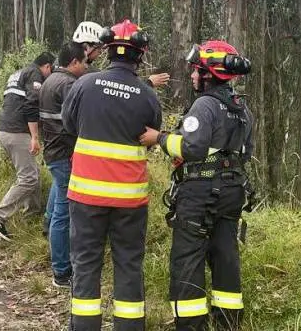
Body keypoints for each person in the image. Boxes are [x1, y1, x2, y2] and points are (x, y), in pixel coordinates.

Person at [139, 41, 254, 331]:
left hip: (200, 194)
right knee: (225, 255)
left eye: (196, 70)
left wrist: (159, 138)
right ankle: (228, 323)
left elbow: (192, 147)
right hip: (232, 192)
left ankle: (191, 325)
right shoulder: (241, 108)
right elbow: (245, 153)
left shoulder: (204, 105)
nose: (192, 75)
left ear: (209, 74)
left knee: (187, 259)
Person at [62, 19, 162, 331]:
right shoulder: (147, 95)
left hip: (86, 195)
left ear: (107, 50)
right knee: (129, 265)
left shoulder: (84, 85)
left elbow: (69, 124)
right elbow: (152, 136)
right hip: (129, 201)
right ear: (140, 55)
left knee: (85, 264)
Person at [0, 52, 55, 241]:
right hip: (17, 132)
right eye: (51, 71)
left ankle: (32, 214)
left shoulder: (18, 73)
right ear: (47, 66)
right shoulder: (35, 74)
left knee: (33, 172)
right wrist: (35, 137)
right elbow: (31, 106)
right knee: (29, 178)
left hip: (4, 129)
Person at [39, 42, 88, 288]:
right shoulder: (68, 84)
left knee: (58, 203)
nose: (86, 67)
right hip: (64, 152)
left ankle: (50, 237)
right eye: (85, 62)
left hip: (53, 151)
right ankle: (61, 271)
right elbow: (78, 119)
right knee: (64, 212)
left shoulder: (50, 80)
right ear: (74, 62)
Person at [73, 20, 171, 88]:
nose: (100, 52)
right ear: (86, 47)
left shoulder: (84, 80)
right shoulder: (85, 77)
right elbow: (119, 92)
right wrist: (148, 84)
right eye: (98, 48)